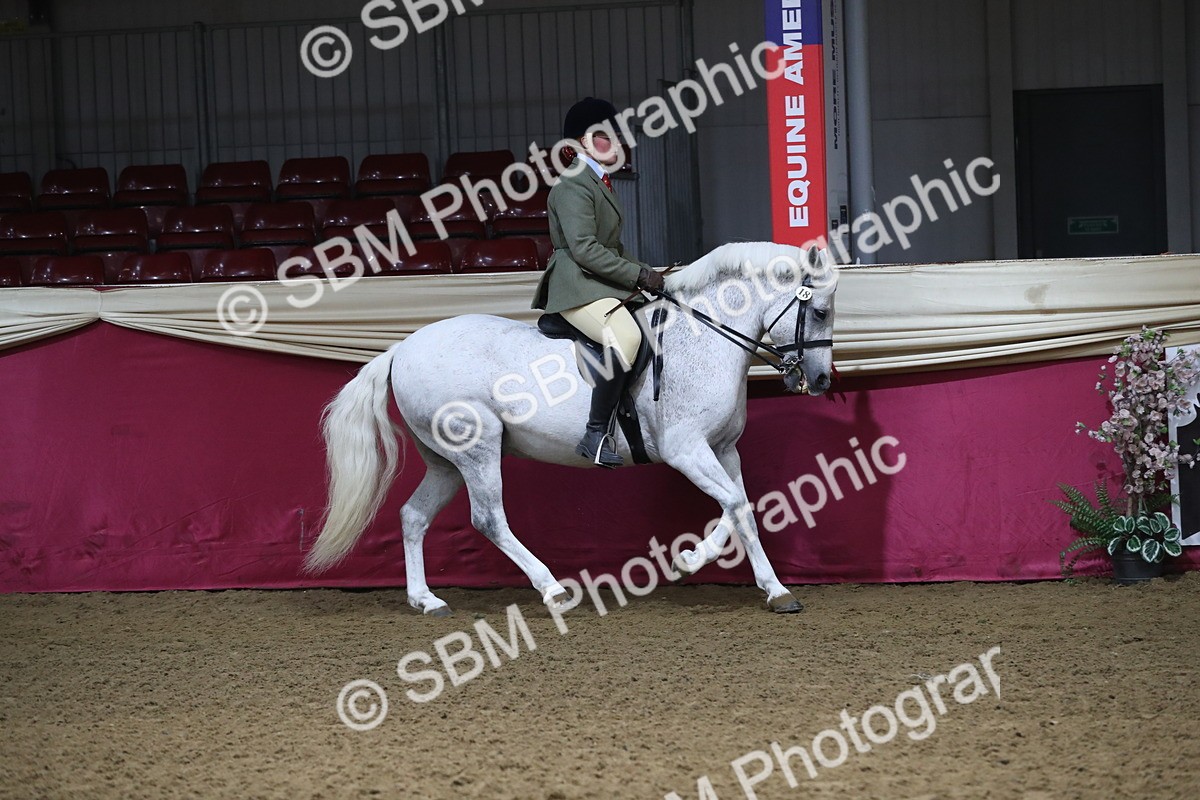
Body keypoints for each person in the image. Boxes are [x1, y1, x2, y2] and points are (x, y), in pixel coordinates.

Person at [531, 97, 665, 468]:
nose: (618, 142)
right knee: (628, 336)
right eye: (606, 135)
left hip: (598, 282)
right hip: (577, 283)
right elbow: (586, 251)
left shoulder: (599, 181)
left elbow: (614, 248)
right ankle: (595, 433)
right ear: (581, 143)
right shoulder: (573, 184)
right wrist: (638, 275)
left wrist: (653, 273)